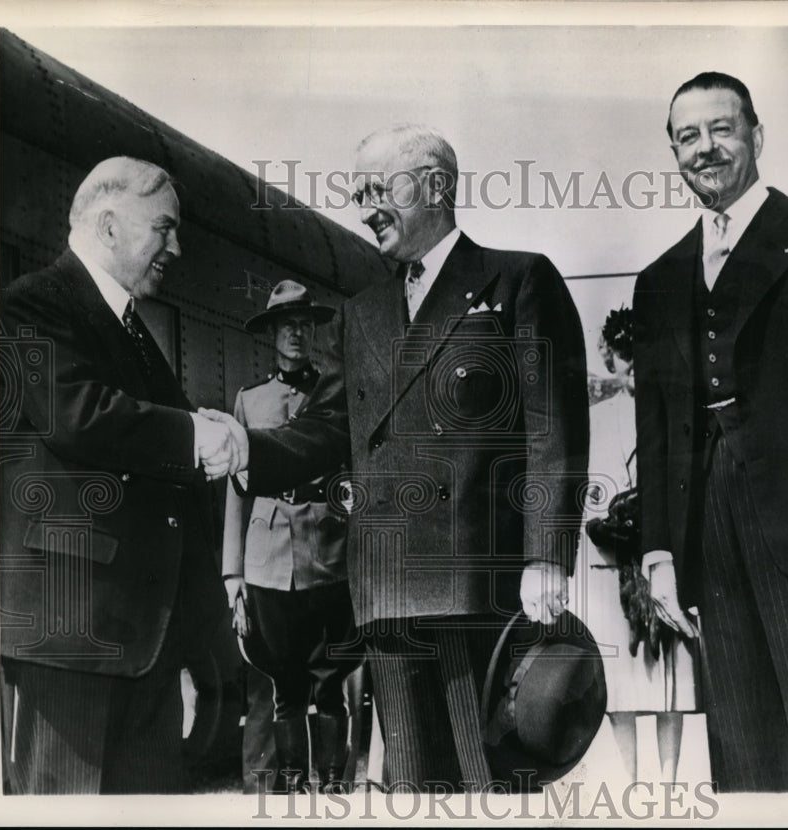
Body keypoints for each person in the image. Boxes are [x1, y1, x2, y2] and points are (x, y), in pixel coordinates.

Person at [204, 124, 590, 792]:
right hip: (385, 590)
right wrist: (250, 448)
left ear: (436, 186)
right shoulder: (364, 312)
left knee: (487, 782)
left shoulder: (517, 279)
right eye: (356, 193)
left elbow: (552, 428)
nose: (363, 207)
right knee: (412, 783)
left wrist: (546, 555)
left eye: (377, 189)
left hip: (477, 584)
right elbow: (332, 431)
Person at [632, 72, 788, 792]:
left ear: (757, 134)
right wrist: (661, 552)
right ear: (673, 151)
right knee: (740, 749)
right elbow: (659, 426)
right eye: (688, 137)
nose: (706, 148)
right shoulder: (659, 280)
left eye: (722, 129)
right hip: (705, 536)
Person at [0, 156, 232, 793]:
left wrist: (195, 425)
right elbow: (77, 414)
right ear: (108, 227)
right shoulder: (34, 303)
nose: (176, 247)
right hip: (73, 635)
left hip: (140, 641)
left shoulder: (129, 329)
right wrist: (189, 433)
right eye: (164, 227)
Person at [222, 280, 360, 794]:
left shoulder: (332, 394)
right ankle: (293, 787)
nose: (296, 334)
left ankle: (331, 785)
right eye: (286, 326)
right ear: (272, 335)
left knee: (330, 681)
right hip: (268, 557)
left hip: (327, 550)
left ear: (314, 331)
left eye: (304, 324)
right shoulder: (249, 400)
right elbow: (237, 490)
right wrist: (233, 573)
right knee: (284, 683)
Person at [574, 307, 698, 783]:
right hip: (609, 564)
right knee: (619, 686)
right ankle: (631, 783)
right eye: (624, 360)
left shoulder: (669, 413)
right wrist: (605, 519)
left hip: (658, 556)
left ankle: (666, 784)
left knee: (670, 680)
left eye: (638, 360)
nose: (632, 371)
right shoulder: (595, 421)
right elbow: (585, 491)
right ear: (613, 361)